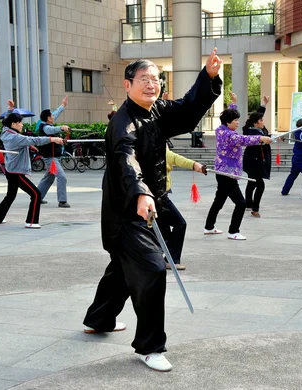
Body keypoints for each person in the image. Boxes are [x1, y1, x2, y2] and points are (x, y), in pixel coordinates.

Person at [82, 49, 222, 372]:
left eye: (156, 79)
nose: (151, 85)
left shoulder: (158, 110)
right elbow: (125, 160)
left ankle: (98, 318)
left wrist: (208, 78)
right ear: (128, 84)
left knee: (121, 269)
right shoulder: (121, 123)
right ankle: (150, 345)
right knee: (153, 269)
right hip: (125, 214)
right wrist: (141, 194)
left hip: (147, 207)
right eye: (144, 79)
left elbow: (187, 111)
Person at [0, 101, 64, 228]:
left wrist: (9, 110)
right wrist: (52, 139)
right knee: (36, 194)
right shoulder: (15, 137)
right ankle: (32, 221)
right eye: (19, 122)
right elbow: (33, 139)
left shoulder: (5, 132)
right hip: (16, 172)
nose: (21, 124)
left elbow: (5, 123)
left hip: (11, 170)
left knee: (10, 195)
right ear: (13, 124)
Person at [203, 107, 272, 240]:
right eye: (235, 120)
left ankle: (209, 227)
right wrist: (261, 138)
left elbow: (233, 127)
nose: (237, 123)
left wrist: (233, 105)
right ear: (228, 122)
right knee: (241, 203)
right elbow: (244, 140)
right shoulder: (229, 135)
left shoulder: (220, 130)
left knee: (219, 201)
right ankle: (233, 231)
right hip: (227, 174)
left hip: (223, 172)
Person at [157, 146, 207, 271]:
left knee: (164, 230)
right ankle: (171, 260)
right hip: (159, 197)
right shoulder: (157, 145)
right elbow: (173, 157)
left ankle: (164, 258)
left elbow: (172, 156)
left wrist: (195, 165)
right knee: (180, 223)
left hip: (156, 194)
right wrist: (194, 165)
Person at [36, 95, 71, 208]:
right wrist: (62, 127)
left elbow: (56, 113)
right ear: (48, 118)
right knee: (61, 176)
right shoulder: (45, 127)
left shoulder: (48, 122)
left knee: (49, 177)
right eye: (51, 115)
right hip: (50, 158)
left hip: (54, 156)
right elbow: (51, 130)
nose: (53, 116)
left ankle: (37, 196)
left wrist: (63, 105)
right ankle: (62, 201)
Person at [242, 95, 272, 218]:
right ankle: (255, 208)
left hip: (260, 160)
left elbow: (258, 115)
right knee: (259, 184)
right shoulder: (251, 132)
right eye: (261, 120)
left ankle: (248, 203)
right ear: (255, 123)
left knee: (252, 183)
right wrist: (265, 139)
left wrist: (264, 104)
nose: (263, 121)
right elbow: (257, 139)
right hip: (253, 161)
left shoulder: (260, 129)